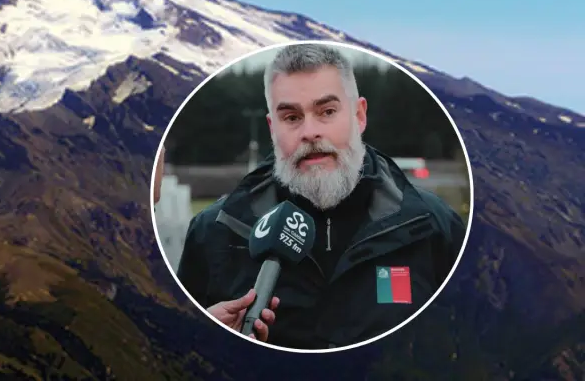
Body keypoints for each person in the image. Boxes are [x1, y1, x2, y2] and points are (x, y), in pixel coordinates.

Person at [175, 43, 467, 349]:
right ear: (272, 128)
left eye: (327, 111)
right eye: (291, 117)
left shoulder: (431, 226)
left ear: (359, 115)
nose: (310, 132)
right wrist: (204, 337)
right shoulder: (216, 230)